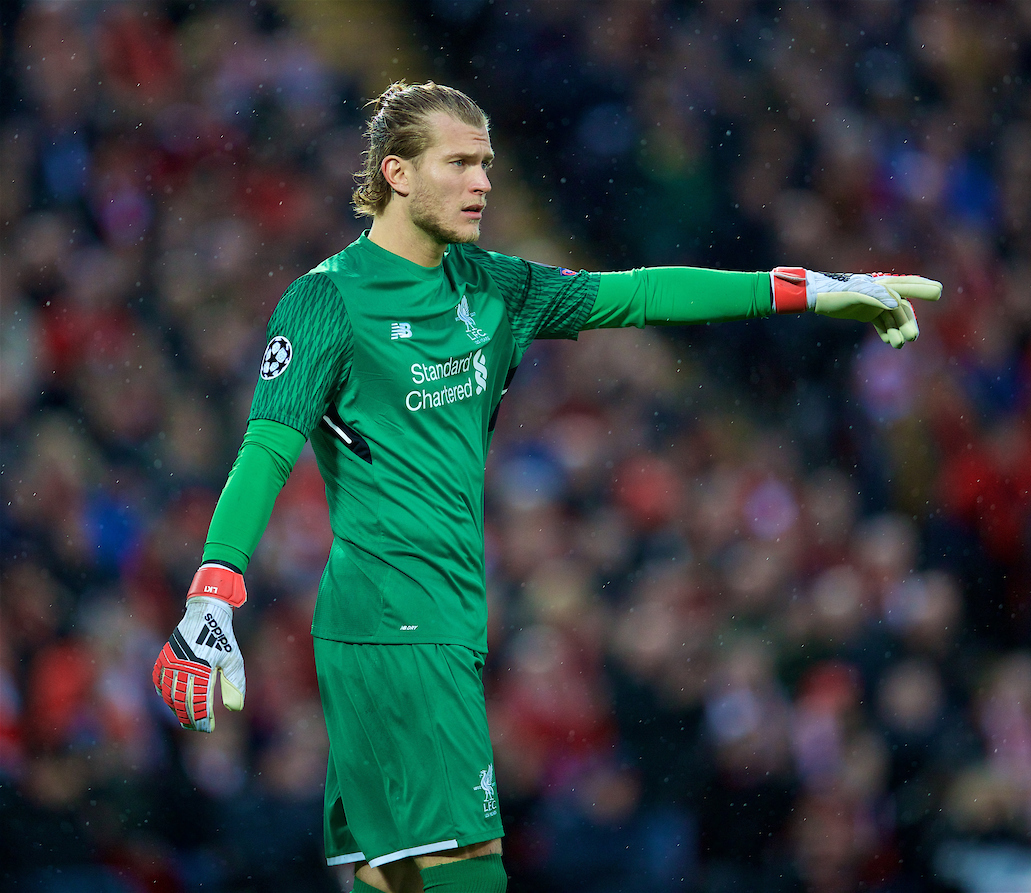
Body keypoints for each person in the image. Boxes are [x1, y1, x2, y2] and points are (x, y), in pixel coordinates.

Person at [151, 81, 942, 893]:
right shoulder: (325, 301)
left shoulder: (495, 287)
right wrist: (215, 587)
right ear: (395, 172)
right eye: (458, 163)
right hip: (397, 618)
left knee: (395, 877)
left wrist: (806, 289)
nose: (482, 183)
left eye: (488, 164)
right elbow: (267, 450)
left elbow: (638, 293)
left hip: (436, 617)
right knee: (470, 873)